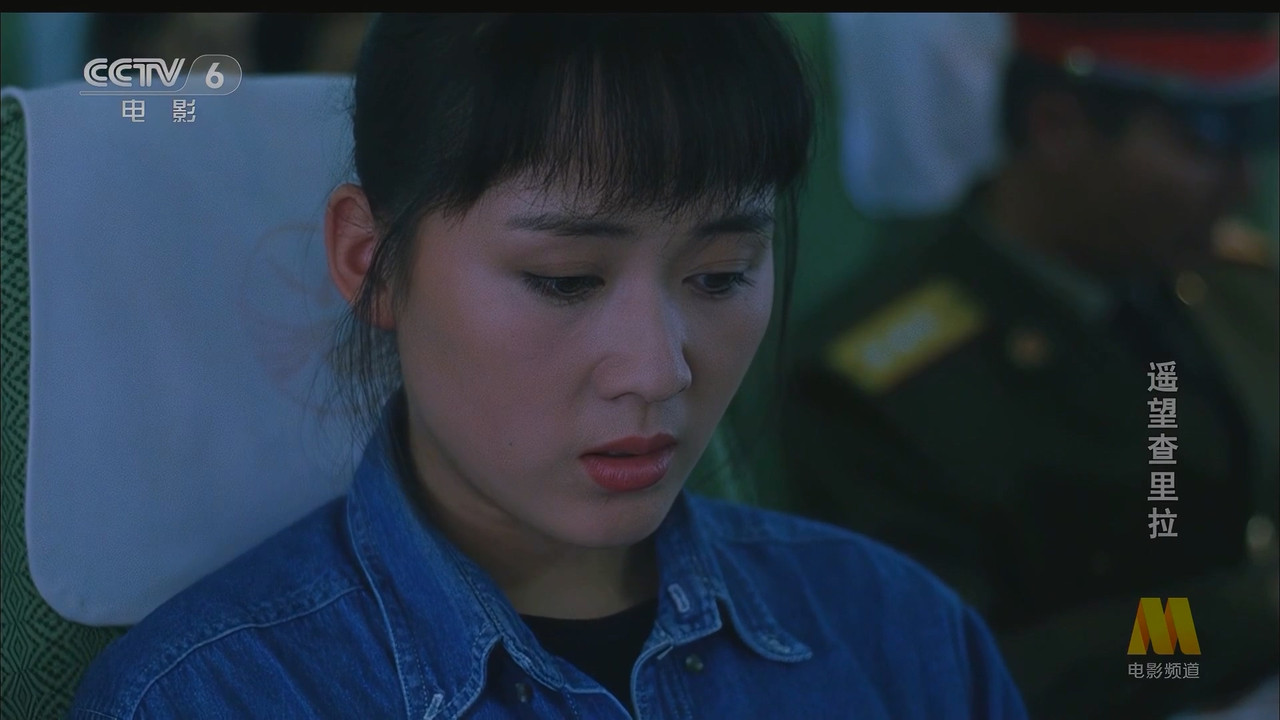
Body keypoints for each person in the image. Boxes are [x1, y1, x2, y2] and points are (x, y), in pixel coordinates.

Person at [66, 14, 1028, 719]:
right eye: (564, 280)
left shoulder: (900, 637)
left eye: (721, 274)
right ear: (371, 261)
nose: (656, 371)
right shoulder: (210, 697)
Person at [781, 12, 1279, 720]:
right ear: (1057, 127)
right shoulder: (880, 388)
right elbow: (961, 673)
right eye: (1206, 142)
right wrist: (1237, 619)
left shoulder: (1224, 287)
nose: (1244, 187)